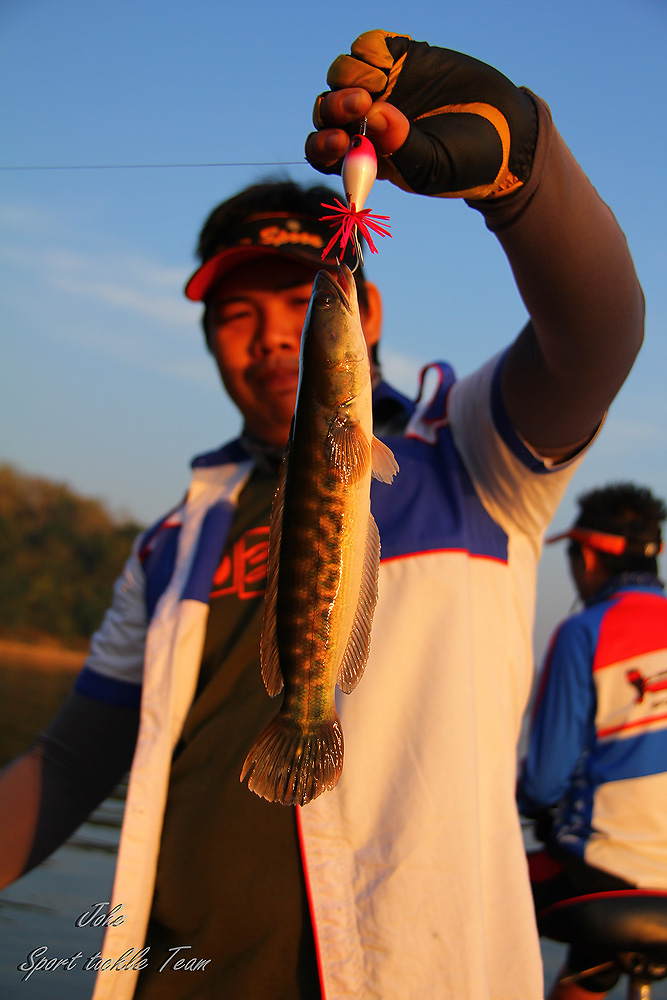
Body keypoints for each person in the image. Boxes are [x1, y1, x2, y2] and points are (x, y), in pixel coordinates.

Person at [0, 29, 645, 1000]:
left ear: (364, 315)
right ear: (210, 336)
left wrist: (525, 170)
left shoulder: (468, 454)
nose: (271, 340)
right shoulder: (173, 542)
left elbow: (597, 338)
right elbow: (74, 755)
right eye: (236, 314)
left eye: (303, 301)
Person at [518, 483, 667, 1000]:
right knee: (592, 961)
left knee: (474, 890)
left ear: (586, 555)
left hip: (609, 874)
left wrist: (531, 803)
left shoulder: (586, 631)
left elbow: (542, 781)